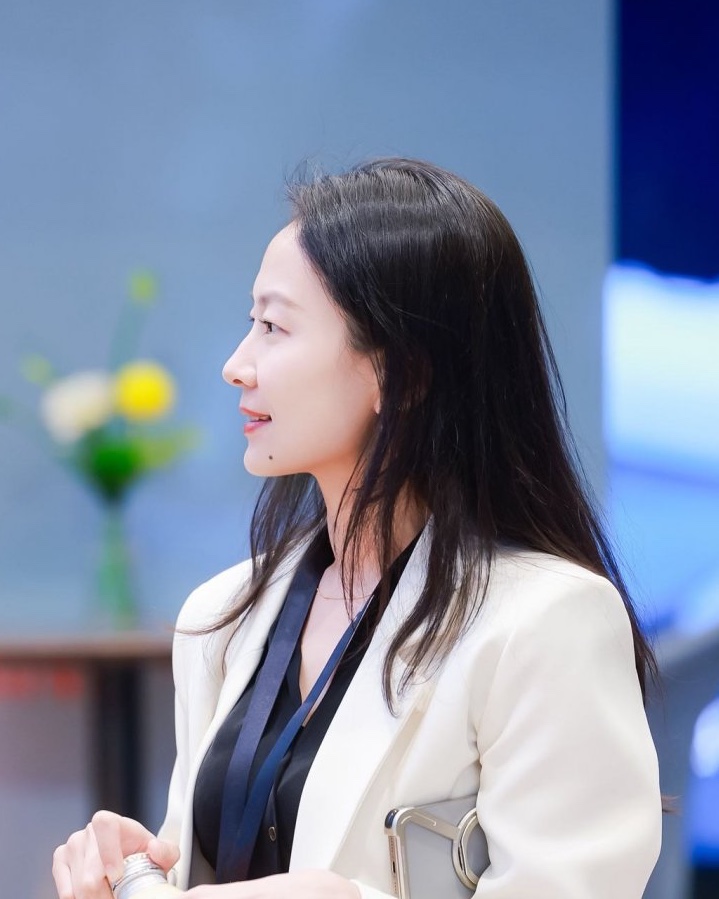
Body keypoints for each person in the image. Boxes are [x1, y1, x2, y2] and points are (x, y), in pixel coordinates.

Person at [52, 158, 662, 899]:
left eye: (273, 326)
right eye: (251, 323)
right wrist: (132, 874)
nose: (237, 366)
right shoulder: (223, 616)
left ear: (402, 372)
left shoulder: (546, 621)